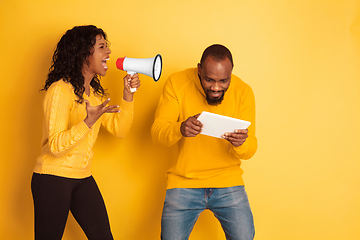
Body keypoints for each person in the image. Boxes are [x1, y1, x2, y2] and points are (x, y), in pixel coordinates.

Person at [31, 25, 140, 240]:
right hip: (52, 178)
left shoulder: (95, 97)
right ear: (83, 54)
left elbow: (119, 129)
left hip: (82, 178)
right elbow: (55, 146)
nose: (108, 52)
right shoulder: (60, 90)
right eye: (101, 47)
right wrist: (87, 122)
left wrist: (128, 95)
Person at [151, 44, 258, 240]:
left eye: (223, 81)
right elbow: (157, 134)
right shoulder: (177, 83)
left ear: (231, 73)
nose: (216, 88)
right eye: (209, 80)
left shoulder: (244, 92)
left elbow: (251, 149)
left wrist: (241, 143)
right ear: (199, 69)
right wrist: (180, 128)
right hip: (183, 182)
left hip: (228, 182)